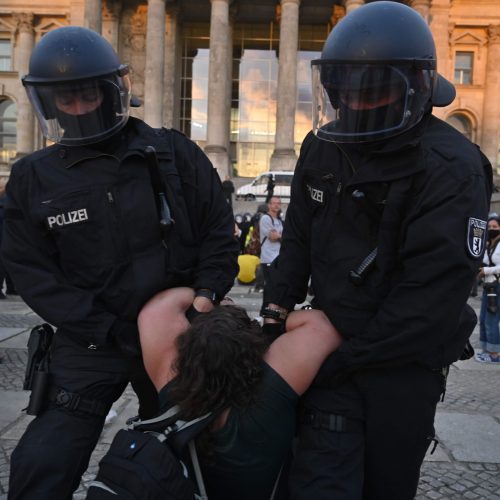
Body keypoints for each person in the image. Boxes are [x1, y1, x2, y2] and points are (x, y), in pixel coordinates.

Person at [262, 3, 492, 499]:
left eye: (375, 88)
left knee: (385, 482)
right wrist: (272, 320)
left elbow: (428, 301)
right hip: (330, 343)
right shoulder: (321, 146)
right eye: (346, 88)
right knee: (308, 475)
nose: (358, 103)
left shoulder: (453, 166)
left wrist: (338, 357)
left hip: (401, 364)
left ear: (415, 87)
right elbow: (297, 242)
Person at [2, 26, 239, 500]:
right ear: (49, 106)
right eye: (66, 100)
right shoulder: (33, 178)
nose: (80, 109)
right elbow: (32, 273)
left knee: (203, 457)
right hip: (94, 338)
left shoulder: (174, 151)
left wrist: (205, 297)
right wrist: (104, 327)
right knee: (44, 459)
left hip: (176, 332)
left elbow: (218, 232)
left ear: (112, 91)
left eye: (88, 95)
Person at [137, 287, 342, 500]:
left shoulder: (172, 382)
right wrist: (278, 319)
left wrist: (208, 298)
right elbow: (321, 326)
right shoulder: (273, 388)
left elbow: (158, 308)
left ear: (187, 350)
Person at [476, 215, 500, 363]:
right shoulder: (489, 244)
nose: (492, 229)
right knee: (484, 318)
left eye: (495, 227)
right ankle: (487, 349)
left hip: (497, 286)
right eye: (489, 227)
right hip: (488, 285)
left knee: (492, 318)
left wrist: (486, 271)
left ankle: (495, 354)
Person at [259, 196, 283, 292]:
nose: (276, 205)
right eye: (274, 203)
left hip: (278, 258)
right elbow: (273, 237)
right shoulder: (266, 218)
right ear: (269, 205)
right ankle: (266, 306)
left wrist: (279, 236)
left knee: (276, 287)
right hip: (268, 257)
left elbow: (279, 236)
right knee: (270, 287)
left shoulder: (279, 221)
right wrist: (280, 236)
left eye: (278, 203)